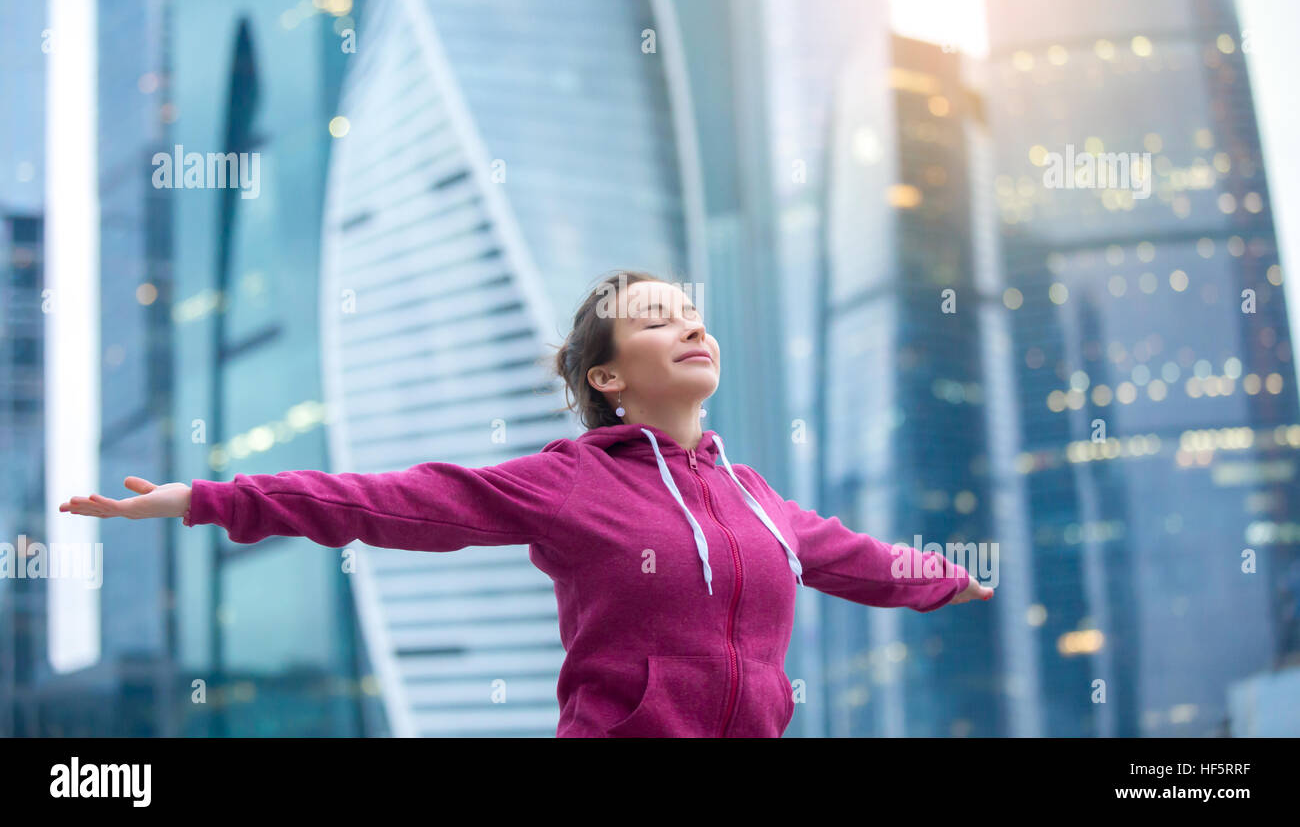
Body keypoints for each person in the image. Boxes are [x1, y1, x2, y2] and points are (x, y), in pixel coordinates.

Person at [61, 269, 993, 737]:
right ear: (608, 376)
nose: (691, 326)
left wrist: (946, 579)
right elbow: (387, 501)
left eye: (693, 313)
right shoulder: (568, 481)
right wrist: (209, 500)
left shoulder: (754, 499)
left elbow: (850, 556)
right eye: (657, 319)